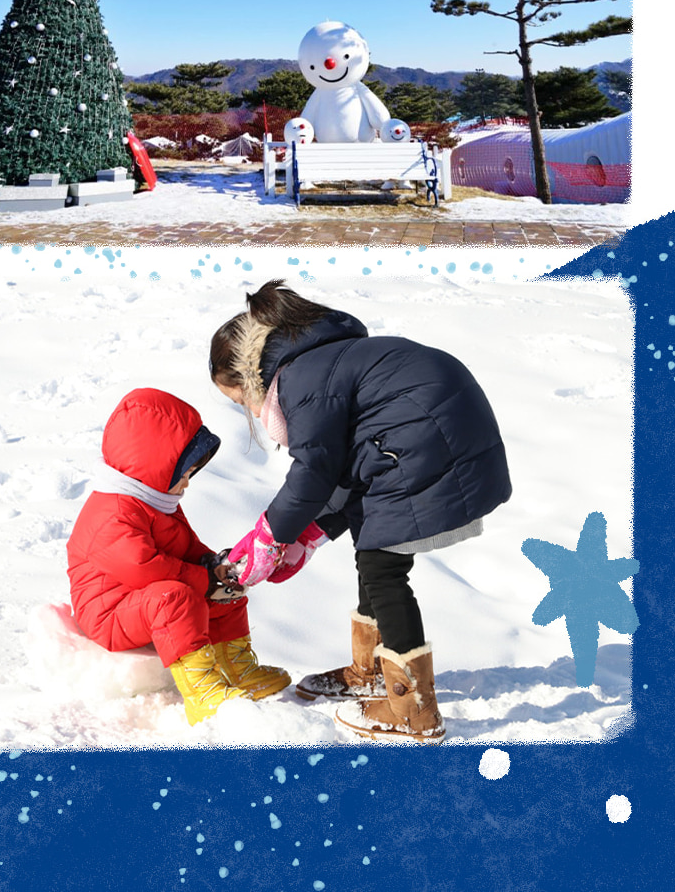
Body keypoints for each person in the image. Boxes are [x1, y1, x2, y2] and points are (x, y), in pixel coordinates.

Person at [208, 279, 511, 744]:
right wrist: (309, 533)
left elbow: (315, 471)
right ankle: (369, 673)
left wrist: (270, 536)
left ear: (248, 376)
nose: (247, 410)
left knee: (382, 568)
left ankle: (410, 709)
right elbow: (343, 468)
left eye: (239, 399)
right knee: (373, 550)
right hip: (427, 436)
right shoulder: (317, 362)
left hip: (425, 441)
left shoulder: (300, 379)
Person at [65, 388, 291, 727]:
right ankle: (202, 693)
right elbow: (145, 568)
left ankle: (237, 669)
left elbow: (185, 546)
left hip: (146, 601)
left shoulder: (156, 503)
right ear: (153, 467)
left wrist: (216, 568)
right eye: (182, 473)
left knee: (226, 594)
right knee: (178, 598)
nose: (187, 483)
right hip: (109, 613)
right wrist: (205, 581)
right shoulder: (111, 514)